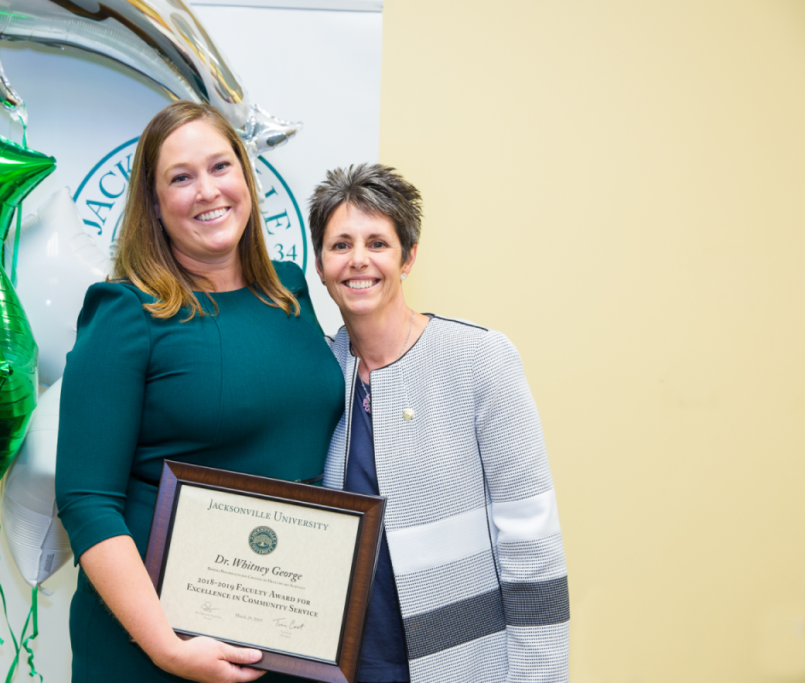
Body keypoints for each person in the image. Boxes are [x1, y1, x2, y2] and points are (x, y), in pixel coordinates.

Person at [55, 101, 344, 683]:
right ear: (155, 206)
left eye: (220, 167)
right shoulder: (126, 313)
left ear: (246, 176)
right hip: (154, 648)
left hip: (287, 633)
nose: (208, 191)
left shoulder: (289, 289)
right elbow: (87, 500)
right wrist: (166, 646)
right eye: (181, 178)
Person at [309, 164, 570, 683]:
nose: (359, 260)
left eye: (377, 243)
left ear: (408, 257)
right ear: (318, 263)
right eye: (340, 245)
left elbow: (531, 543)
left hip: (461, 665)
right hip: (343, 667)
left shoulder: (478, 358)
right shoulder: (315, 372)